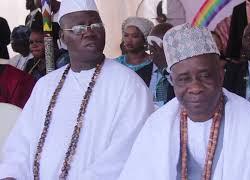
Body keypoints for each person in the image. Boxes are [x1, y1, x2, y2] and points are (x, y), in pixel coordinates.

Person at [118, 23, 250, 180]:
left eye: (205, 76)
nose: (195, 87)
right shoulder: (158, 125)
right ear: (172, 81)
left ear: (221, 75)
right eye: (184, 79)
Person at [0, 0, 153, 179]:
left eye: (96, 25)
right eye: (79, 28)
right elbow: (21, 144)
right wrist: (12, 175)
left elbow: (124, 153)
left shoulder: (129, 86)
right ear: (63, 38)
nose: (89, 32)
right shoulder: (45, 86)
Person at [116, 16, 154, 85]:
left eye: (135, 36)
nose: (129, 40)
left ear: (144, 40)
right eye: (126, 35)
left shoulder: (153, 64)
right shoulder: (116, 63)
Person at [147, 23, 175, 108]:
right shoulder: (140, 73)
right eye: (151, 44)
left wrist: (165, 68)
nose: (152, 47)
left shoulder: (181, 71)